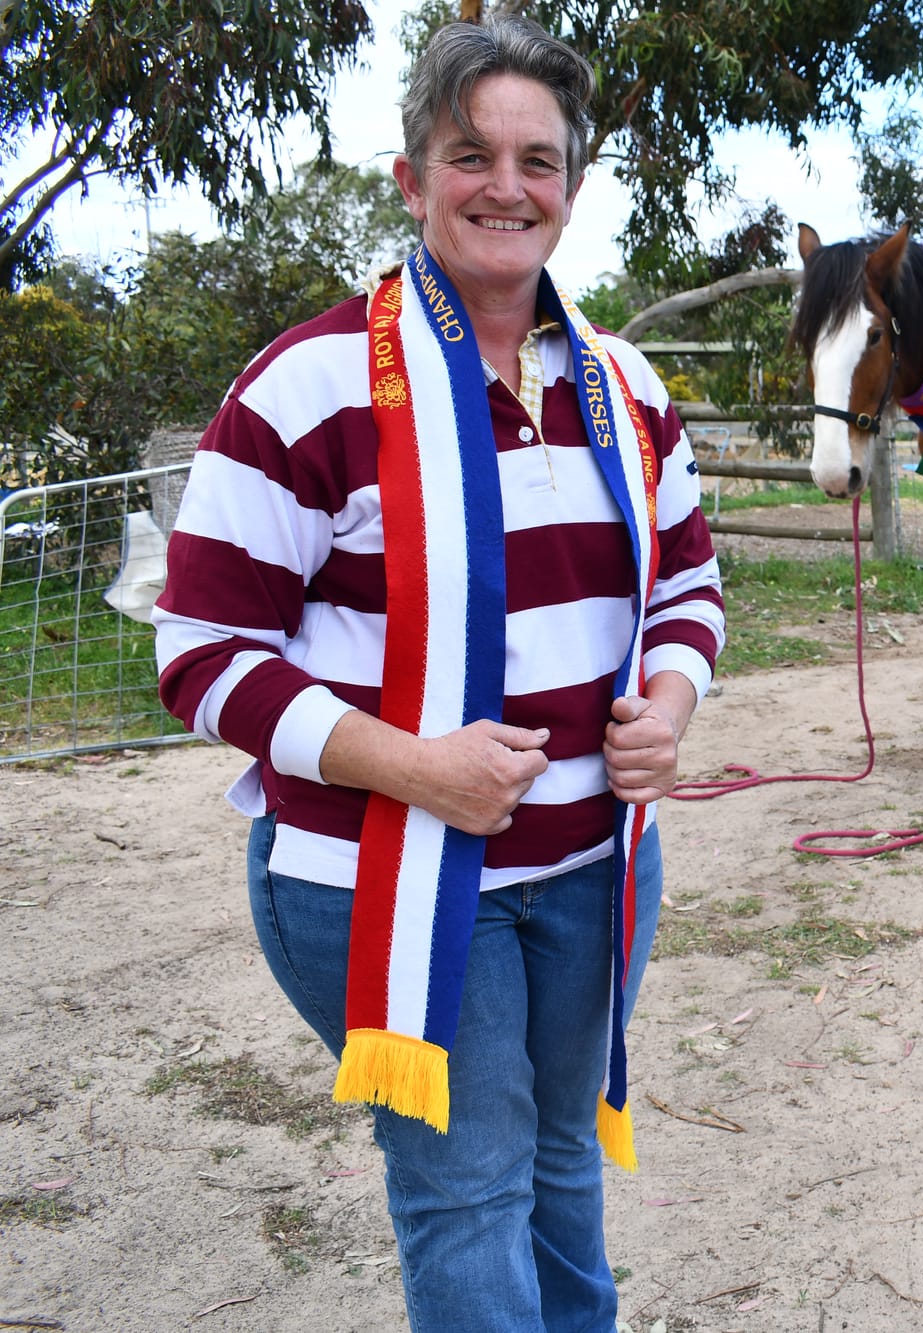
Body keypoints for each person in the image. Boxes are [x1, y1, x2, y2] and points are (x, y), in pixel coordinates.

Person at [153, 18, 724, 1331]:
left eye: (539, 158)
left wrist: (674, 703)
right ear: (414, 180)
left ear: (572, 189)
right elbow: (201, 652)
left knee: (566, 1163)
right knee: (471, 1194)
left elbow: (688, 587)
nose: (506, 186)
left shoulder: (628, 390)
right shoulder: (308, 387)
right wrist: (412, 762)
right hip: (389, 880)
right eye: (471, 154)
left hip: (594, 871)